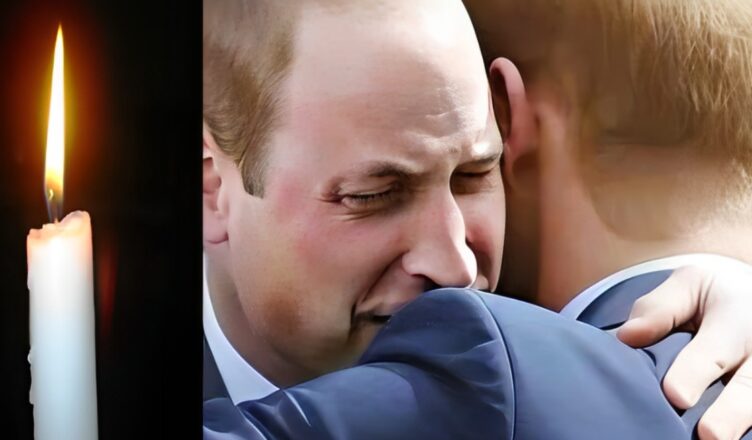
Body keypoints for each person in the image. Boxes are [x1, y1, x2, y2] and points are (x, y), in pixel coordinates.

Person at [202, 0, 752, 438]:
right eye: (374, 196)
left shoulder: (588, 350)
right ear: (210, 189)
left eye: (474, 175)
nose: (457, 266)